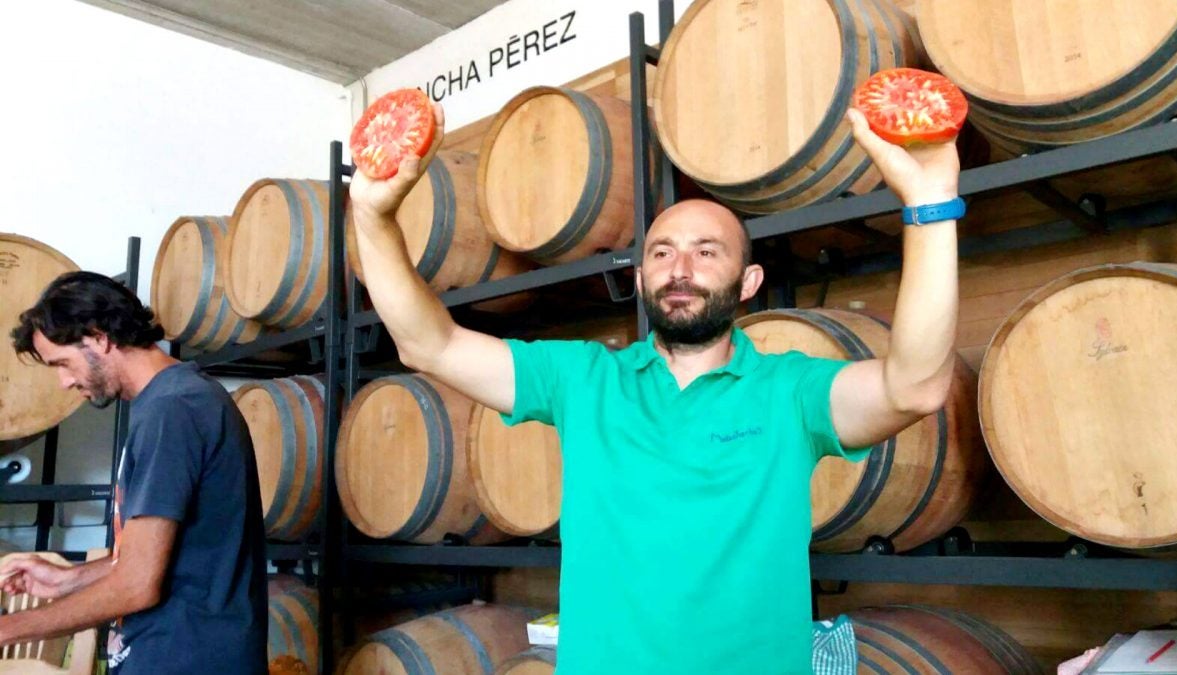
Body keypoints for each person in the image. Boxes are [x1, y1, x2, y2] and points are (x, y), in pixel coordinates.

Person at [348, 103, 961, 674]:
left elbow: (913, 387)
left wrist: (931, 204)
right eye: (662, 252)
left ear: (749, 282)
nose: (681, 268)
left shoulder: (791, 392)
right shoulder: (584, 380)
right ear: (642, 279)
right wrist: (372, 218)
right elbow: (430, 345)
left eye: (706, 251)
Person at [1, 272, 268, 674]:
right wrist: (66, 581)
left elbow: (137, 585)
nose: (65, 381)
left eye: (63, 363)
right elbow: (158, 560)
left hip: (191, 661)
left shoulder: (174, 410)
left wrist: (7, 630)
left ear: (98, 338)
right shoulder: (167, 402)